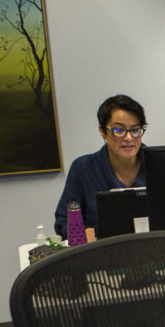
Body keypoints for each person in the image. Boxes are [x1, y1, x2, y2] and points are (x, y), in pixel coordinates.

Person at [54, 94, 147, 238]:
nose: (129, 138)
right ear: (103, 131)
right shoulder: (83, 169)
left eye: (135, 130)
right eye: (119, 130)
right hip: (102, 253)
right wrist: (87, 233)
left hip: (155, 252)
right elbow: (63, 222)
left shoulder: (159, 165)